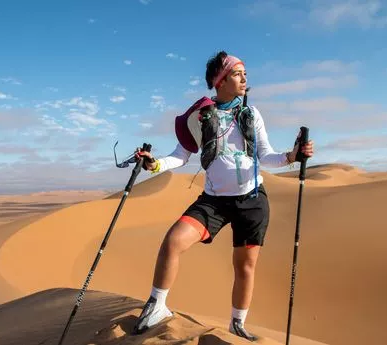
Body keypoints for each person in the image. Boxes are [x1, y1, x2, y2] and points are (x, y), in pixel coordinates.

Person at [132, 51, 315, 341]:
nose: (244, 78)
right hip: (214, 200)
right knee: (173, 240)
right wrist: (155, 164)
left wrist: (292, 155)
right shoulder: (201, 116)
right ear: (220, 81)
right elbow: (181, 156)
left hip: (252, 199)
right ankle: (157, 306)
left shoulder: (251, 115)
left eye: (244, 74)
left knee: (244, 266)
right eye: (237, 73)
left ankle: (237, 323)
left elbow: (266, 155)